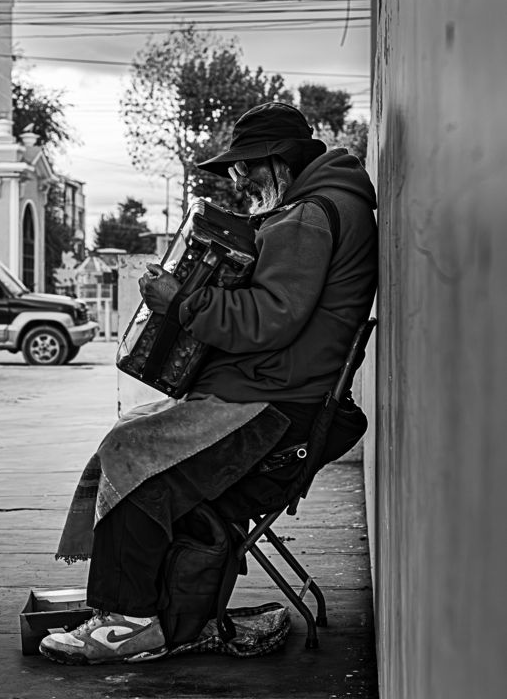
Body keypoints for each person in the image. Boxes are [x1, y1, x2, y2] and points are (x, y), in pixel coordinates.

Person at [39, 101, 378, 666]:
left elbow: (269, 320)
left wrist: (184, 301)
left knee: (132, 454)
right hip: (281, 392)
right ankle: (146, 612)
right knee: (132, 434)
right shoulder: (323, 204)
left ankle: (128, 622)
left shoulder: (307, 215)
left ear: (275, 161)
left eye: (244, 168)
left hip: (276, 402)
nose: (239, 181)